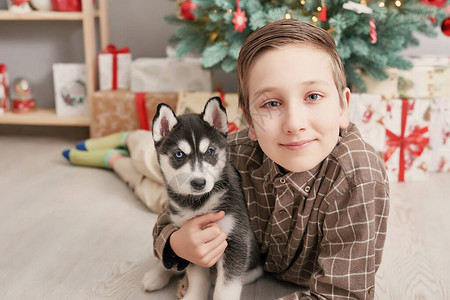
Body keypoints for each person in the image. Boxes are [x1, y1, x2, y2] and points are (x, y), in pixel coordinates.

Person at [63, 18, 389, 299]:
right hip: (182, 167)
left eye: (313, 96)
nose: (294, 124)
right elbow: (167, 217)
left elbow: (342, 294)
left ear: (344, 106)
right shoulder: (229, 150)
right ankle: (127, 148)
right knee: (153, 173)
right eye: (271, 103)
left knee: (150, 183)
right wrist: (177, 243)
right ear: (248, 120)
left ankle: (121, 156)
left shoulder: (358, 177)